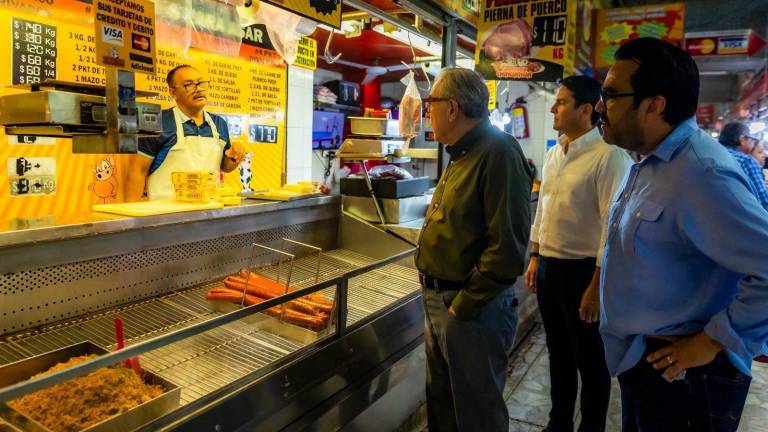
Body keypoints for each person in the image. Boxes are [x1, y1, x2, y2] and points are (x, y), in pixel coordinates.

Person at [596, 37, 768, 431]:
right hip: (647, 360)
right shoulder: (646, 161)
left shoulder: (701, 175)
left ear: (655, 104)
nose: (600, 107)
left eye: (610, 95)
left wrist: (712, 341)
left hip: (688, 374)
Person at [416, 68, 532, 431]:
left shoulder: (497, 152)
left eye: (430, 104)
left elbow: (508, 248)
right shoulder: (462, 152)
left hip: (472, 309)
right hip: (443, 302)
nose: (427, 112)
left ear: (451, 108)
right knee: (445, 407)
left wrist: (462, 305)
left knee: (476, 415)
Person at [525, 76, 632, 432]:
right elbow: (544, 208)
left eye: (561, 102)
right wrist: (536, 255)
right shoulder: (555, 152)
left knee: (591, 361)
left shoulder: (609, 157)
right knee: (558, 354)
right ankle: (559, 423)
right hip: (549, 268)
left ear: (586, 110)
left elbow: (612, 228)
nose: (553, 108)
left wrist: (597, 286)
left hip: (584, 272)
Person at [126, 65, 245, 201]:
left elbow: (224, 167)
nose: (198, 89)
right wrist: (132, 220)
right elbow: (137, 171)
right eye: (189, 85)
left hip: (210, 211)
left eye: (200, 83)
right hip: (165, 214)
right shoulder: (157, 121)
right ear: (173, 93)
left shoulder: (219, 124)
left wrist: (234, 158)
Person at [719, 122, 768, 210]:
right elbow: (763, 200)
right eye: (752, 139)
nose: (753, 142)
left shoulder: (714, 155)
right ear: (742, 139)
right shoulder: (746, 161)